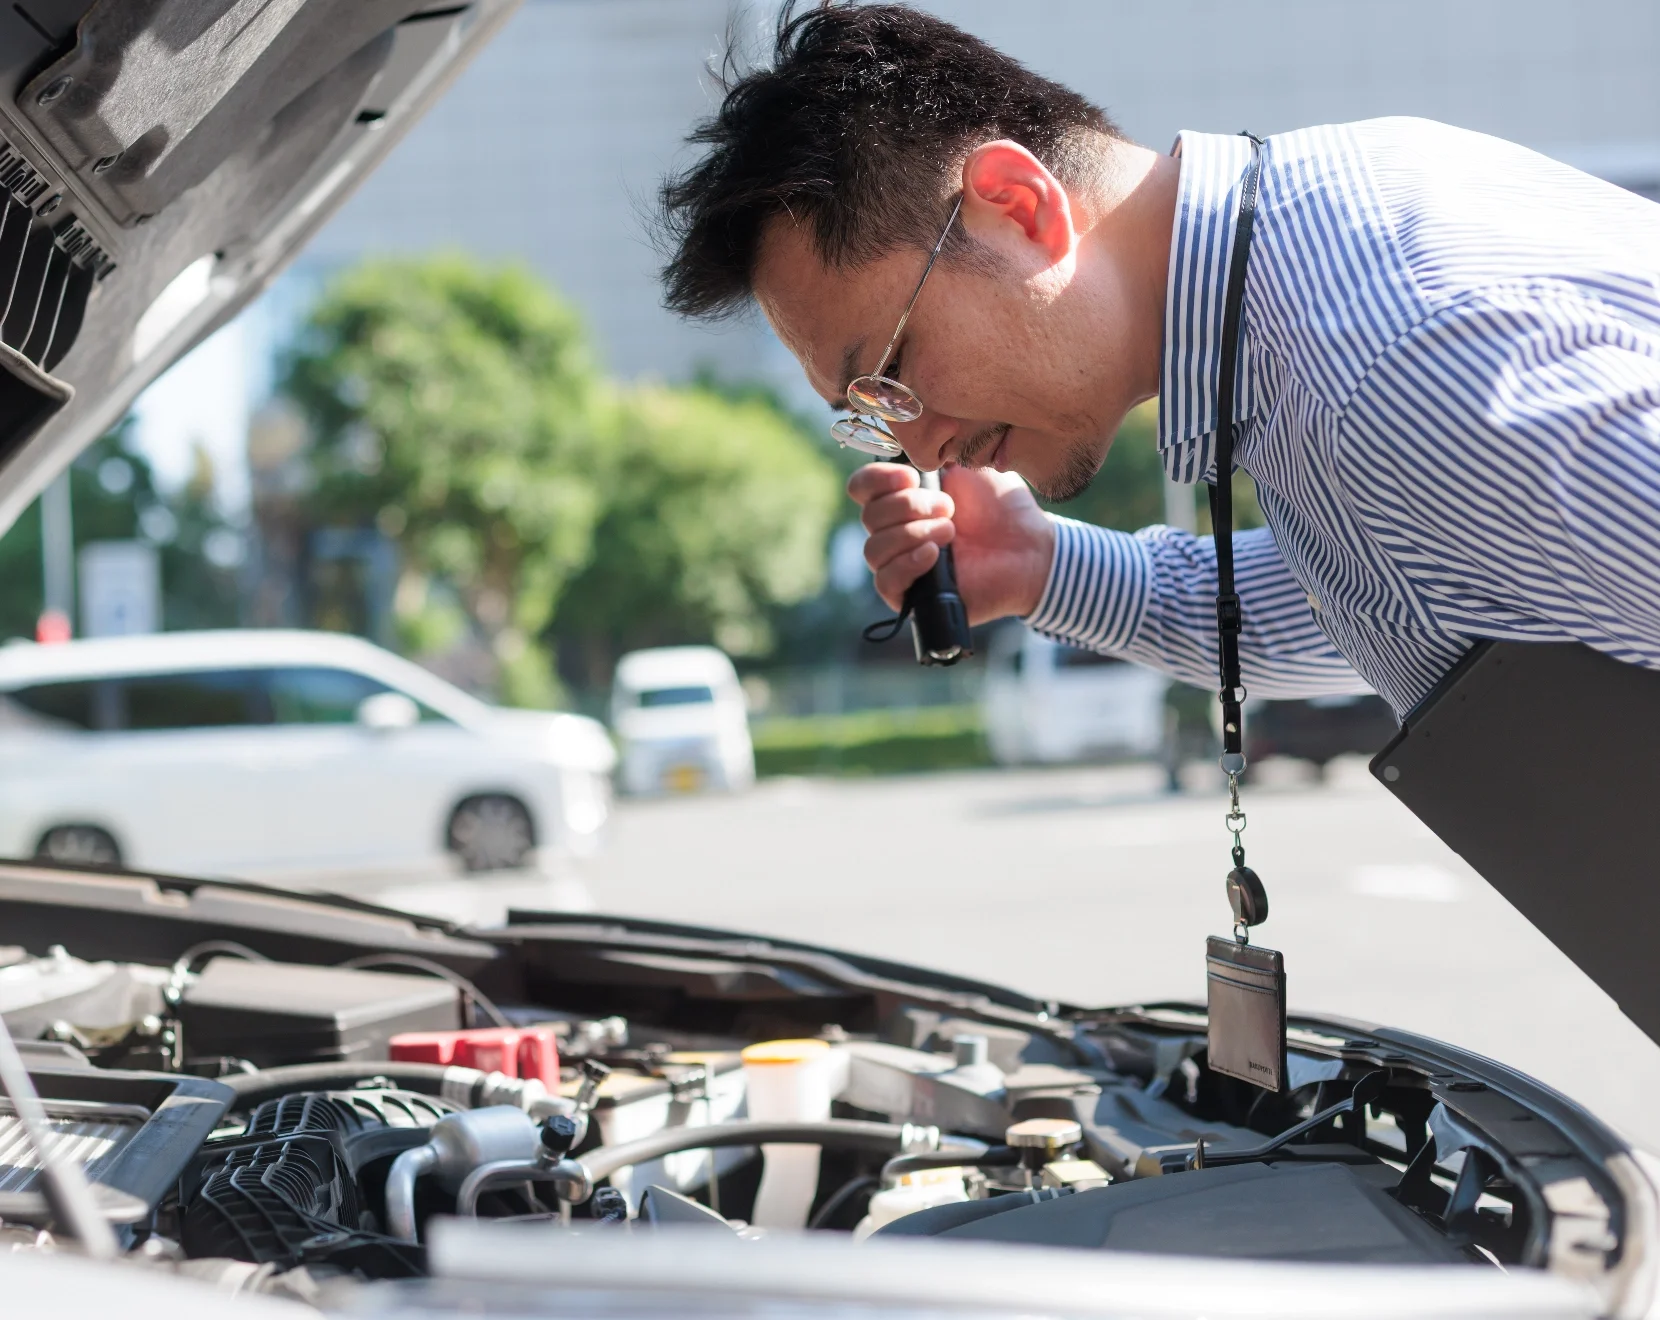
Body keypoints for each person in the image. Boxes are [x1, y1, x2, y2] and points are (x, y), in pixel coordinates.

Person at [655, 2, 1660, 720]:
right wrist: (1045, 566)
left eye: (892, 366)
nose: (918, 443)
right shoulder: (1318, 255)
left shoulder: (1385, 365)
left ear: (1018, 205)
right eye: (868, 413)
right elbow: (1421, 591)